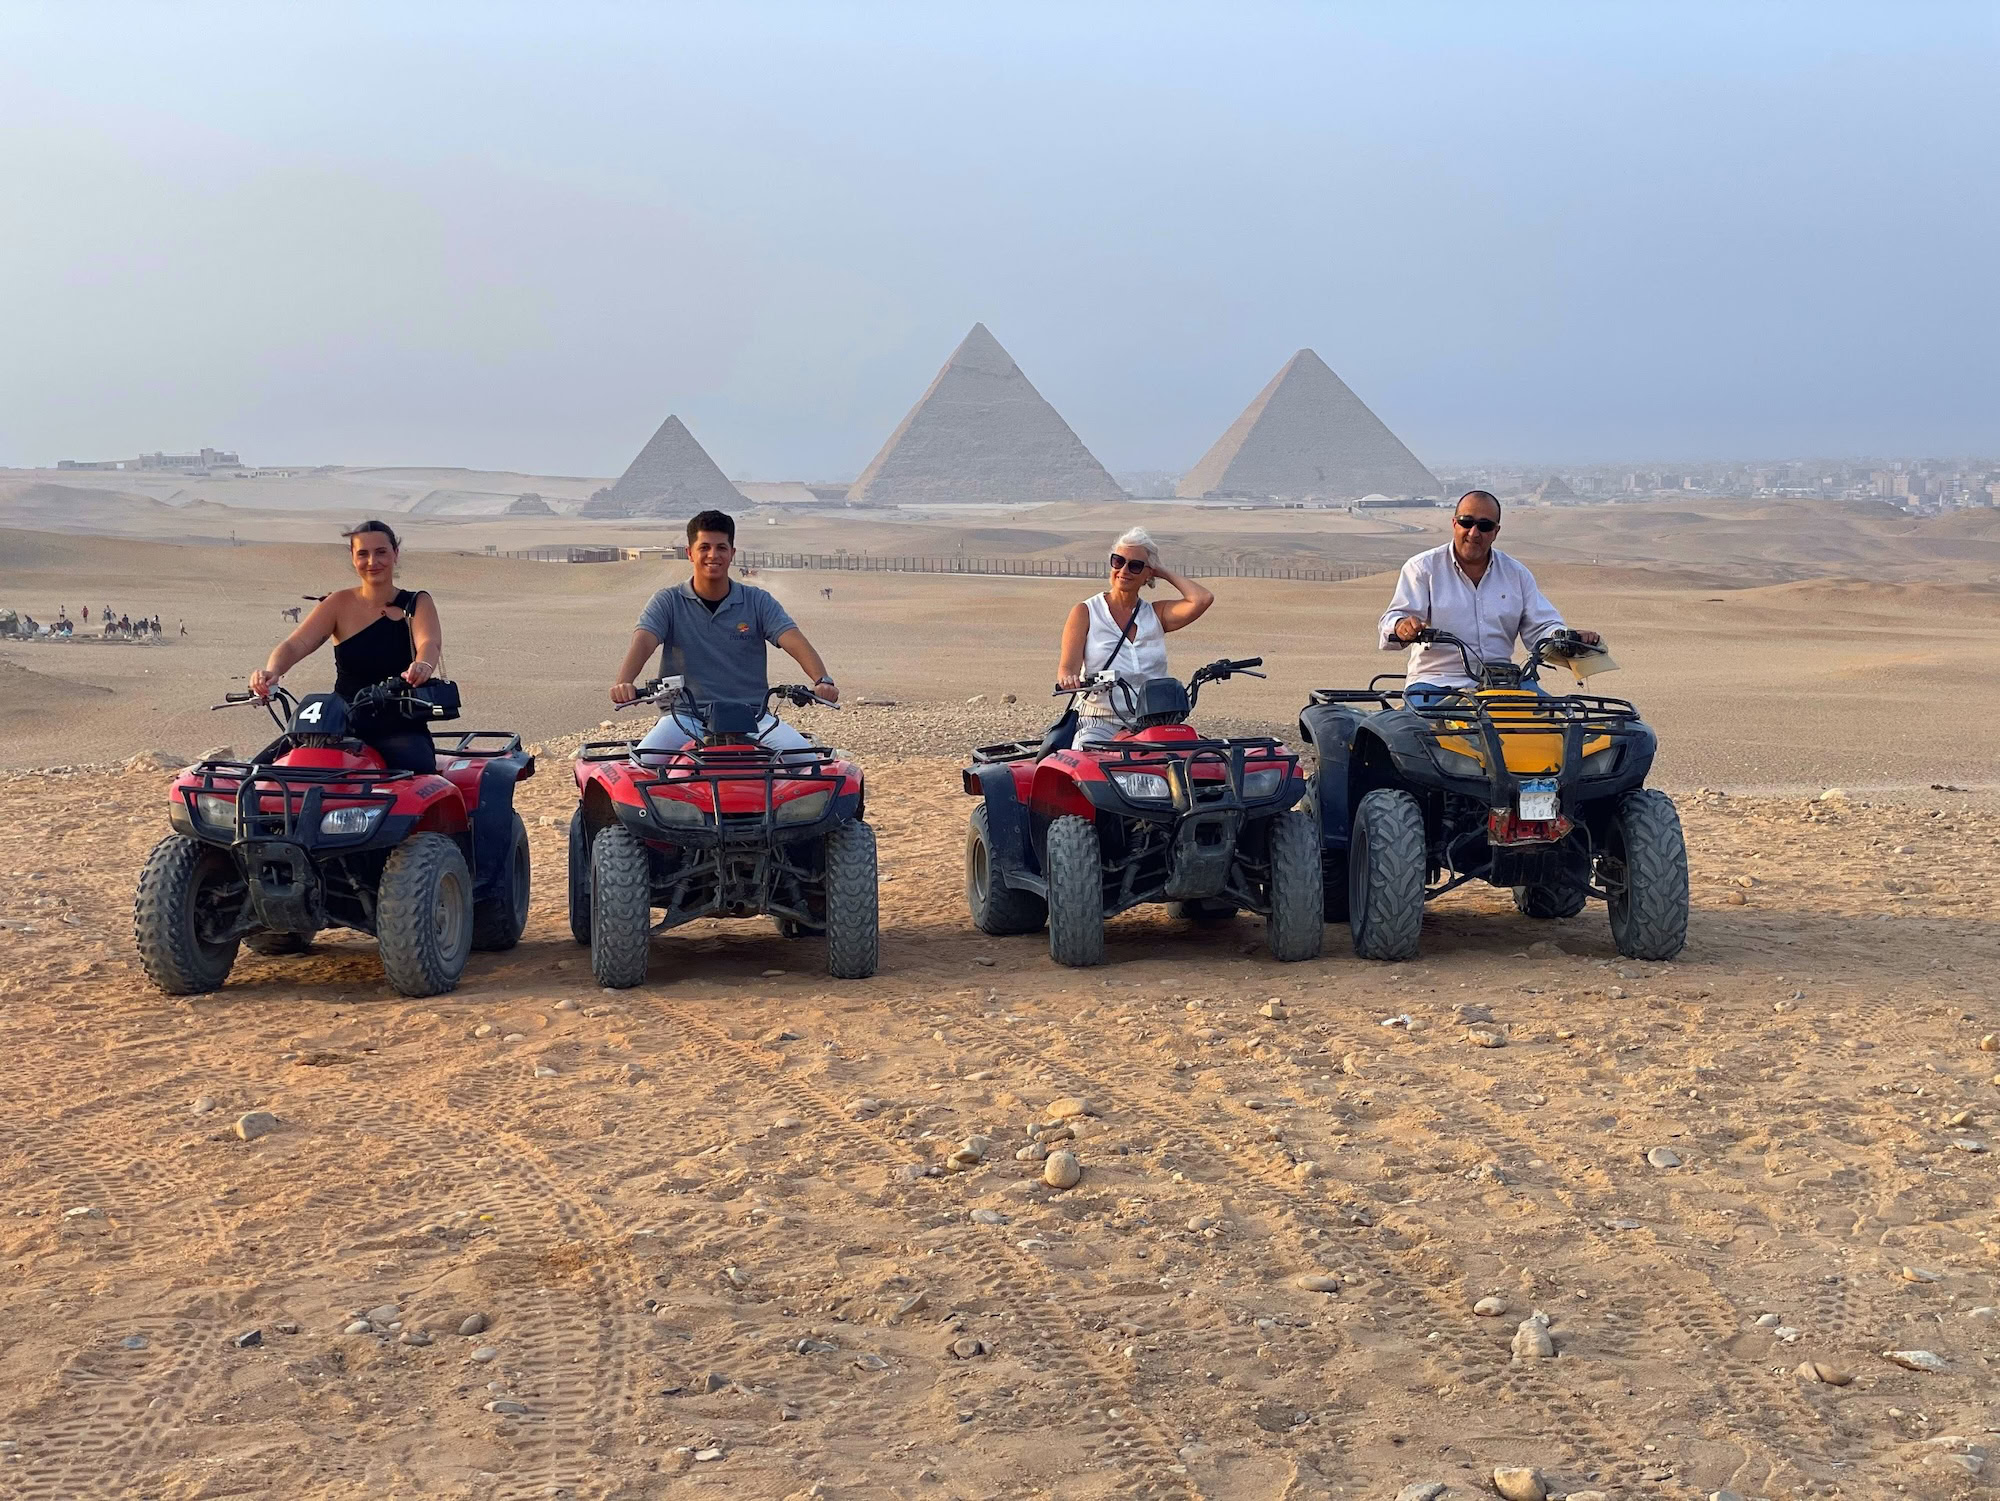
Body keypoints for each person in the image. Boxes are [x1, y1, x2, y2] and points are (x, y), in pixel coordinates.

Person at [610, 509, 838, 755]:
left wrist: (822, 680)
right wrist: (624, 683)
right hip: (685, 717)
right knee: (643, 767)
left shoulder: (757, 601)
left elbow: (794, 640)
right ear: (690, 553)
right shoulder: (668, 601)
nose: (713, 555)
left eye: (721, 547)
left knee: (805, 760)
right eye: (704, 547)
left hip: (752, 717)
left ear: (732, 553)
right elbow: (644, 641)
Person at [248, 519, 443, 773]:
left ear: (395, 554)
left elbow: (429, 642)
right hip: (339, 722)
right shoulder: (338, 603)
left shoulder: (416, 603)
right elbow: (296, 643)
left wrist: (423, 665)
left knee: (413, 779)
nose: (372, 562)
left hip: (399, 725)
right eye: (363, 554)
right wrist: (271, 672)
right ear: (353, 557)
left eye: (381, 552)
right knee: (259, 773)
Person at [1378, 490, 1598, 708]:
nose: (1474, 533)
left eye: (1484, 526)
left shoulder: (1516, 574)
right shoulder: (1422, 569)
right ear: (1454, 523)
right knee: (1425, 736)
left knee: (1557, 726)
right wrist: (1401, 627)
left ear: (1496, 531)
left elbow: (1542, 626)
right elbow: (1394, 619)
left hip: (1505, 683)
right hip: (1437, 682)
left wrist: (1568, 637)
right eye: (1467, 522)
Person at [1056, 527, 1213, 748]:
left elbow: (1202, 599)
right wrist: (1068, 679)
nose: (1124, 570)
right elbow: (1067, 668)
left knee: (1190, 762)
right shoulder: (1086, 612)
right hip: (1100, 720)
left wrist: (1162, 571)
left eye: (1135, 565)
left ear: (1148, 574)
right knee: (1088, 757)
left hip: (1153, 721)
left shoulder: (1156, 615)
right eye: (1118, 561)